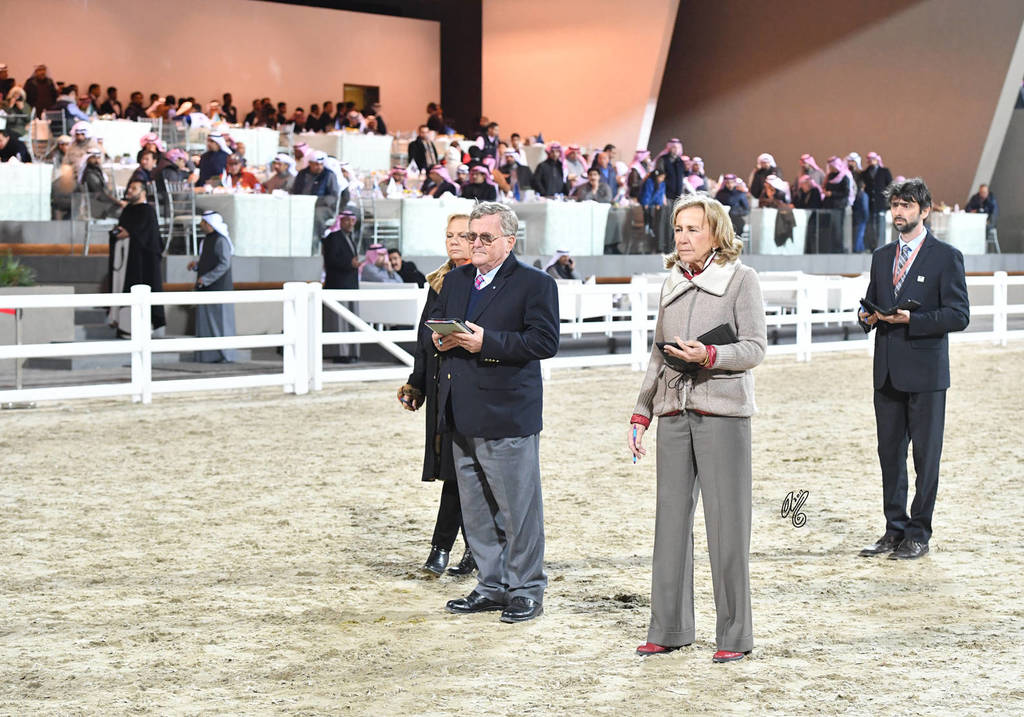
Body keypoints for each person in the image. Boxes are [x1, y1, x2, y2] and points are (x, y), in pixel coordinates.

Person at [628, 193, 766, 663]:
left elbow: (754, 349)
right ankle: (669, 628)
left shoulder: (741, 280)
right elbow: (656, 355)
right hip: (672, 414)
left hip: (722, 415)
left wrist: (709, 356)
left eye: (693, 229)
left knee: (727, 528)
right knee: (669, 524)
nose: (683, 238)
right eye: (679, 229)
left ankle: (734, 635)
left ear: (716, 234)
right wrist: (642, 411)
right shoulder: (670, 283)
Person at [431, 202, 559, 623]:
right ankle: (491, 585)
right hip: (461, 411)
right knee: (477, 510)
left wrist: (487, 342)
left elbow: (543, 343)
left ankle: (526, 588)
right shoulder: (456, 280)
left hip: (507, 413)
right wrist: (442, 341)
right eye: (472, 236)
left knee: (518, 511)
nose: (476, 244)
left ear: (510, 240)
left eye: (486, 237)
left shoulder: (535, 284)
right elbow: (438, 325)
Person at [857, 177, 970, 561]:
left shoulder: (947, 256)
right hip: (886, 371)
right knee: (889, 454)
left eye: (907, 206)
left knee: (925, 457)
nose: (899, 213)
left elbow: (959, 315)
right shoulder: (881, 255)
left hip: (926, 374)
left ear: (925, 210)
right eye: (895, 206)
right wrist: (865, 316)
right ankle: (895, 529)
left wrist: (912, 320)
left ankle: (919, 533)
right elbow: (872, 301)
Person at [397, 213, 476, 576]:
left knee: (468, 471)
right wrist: (416, 383)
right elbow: (422, 341)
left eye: (463, 235)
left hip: (475, 385)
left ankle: (451, 548)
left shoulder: (484, 282)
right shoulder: (439, 283)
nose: (455, 241)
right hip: (441, 387)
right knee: (453, 470)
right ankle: (456, 549)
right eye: (450, 235)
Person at [108, 180, 165, 335]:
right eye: (129, 188)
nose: (130, 191)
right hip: (124, 259)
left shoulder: (147, 211)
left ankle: (140, 329)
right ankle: (123, 326)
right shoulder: (127, 211)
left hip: (141, 261)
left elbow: (148, 236)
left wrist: (131, 233)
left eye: (134, 188)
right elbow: (124, 228)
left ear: (143, 192)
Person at [187, 211, 237, 363]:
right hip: (206, 287)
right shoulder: (206, 240)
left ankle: (225, 356)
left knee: (222, 324)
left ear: (210, 224)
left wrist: (207, 279)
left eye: (203, 222)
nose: (201, 225)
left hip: (219, 288)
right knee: (205, 323)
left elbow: (224, 264)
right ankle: (208, 356)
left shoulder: (221, 240)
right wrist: (197, 266)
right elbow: (209, 261)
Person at [321, 211, 361, 364]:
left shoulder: (350, 238)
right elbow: (331, 261)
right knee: (339, 322)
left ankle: (351, 353)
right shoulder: (333, 237)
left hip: (350, 284)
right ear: (341, 221)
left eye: (352, 220)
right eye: (347, 220)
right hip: (338, 285)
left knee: (351, 320)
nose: (350, 223)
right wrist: (349, 264)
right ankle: (340, 354)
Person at [292, 150, 340, 245]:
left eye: (321, 164)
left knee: (316, 216)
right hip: (301, 205)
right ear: (310, 163)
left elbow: (333, 196)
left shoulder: (329, 175)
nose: (319, 167)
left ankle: (314, 242)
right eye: (316, 164)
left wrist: (316, 202)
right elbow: (295, 190)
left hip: (323, 207)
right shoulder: (302, 174)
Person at [862, 151, 893, 252]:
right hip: (870, 205)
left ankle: (880, 246)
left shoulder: (884, 171)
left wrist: (887, 200)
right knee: (871, 227)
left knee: (880, 226)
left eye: (873, 159)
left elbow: (890, 186)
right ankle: (872, 246)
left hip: (880, 204)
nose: (871, 161)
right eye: (869, 160)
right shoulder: (865, 173)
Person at [80, 150, 124, 218]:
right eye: (94, 158)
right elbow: (100, 195)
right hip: (97, 207)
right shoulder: (90, 174)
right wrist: (118, 202)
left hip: (100, 204)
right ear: (88, 159)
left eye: (98, 158)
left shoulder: (96, 171)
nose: (97, 160)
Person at [822, 156, 852, 253]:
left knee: (837, 228)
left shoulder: (844, 177)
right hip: (829, 207)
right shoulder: (829, 176)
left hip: (838, 207)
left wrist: (832, 194)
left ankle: (838, 248)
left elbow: (846, 193)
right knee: (829, 228)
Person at [714, 174, 749, 238]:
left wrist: (736, 211)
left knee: (736, 226)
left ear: (735, 183)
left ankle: (737, 245)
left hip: (736, 218)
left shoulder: (740, 193)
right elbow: (715, 207)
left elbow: (747, 210)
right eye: (727, 183)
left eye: (732, 182)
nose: (730, 185)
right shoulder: (720, 194)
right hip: (723, 219)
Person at [847, 153, 869, 253]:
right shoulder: (846, 173)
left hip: (859, 208)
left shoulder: (861, 175)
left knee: (860, 229)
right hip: (851, 206)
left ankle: (858, 248)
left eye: (853, 161)